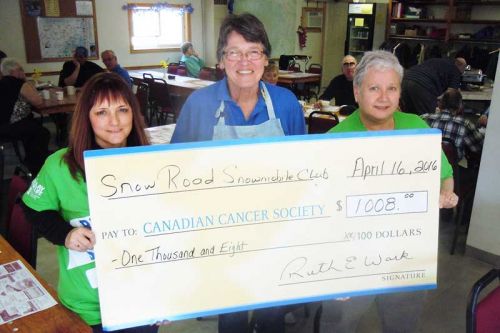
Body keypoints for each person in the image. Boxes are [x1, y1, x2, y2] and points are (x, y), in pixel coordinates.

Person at [171, 13, 306, 333]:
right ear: (221, 60)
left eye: (254, 51)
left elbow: (302, 171)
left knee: (272, 316)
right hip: (218, 236)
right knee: (231, 317)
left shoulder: (286, 104)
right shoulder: (200, 104)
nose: (244, 61)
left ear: (265, 58)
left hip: (273, 234)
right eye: (234, 52)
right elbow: (173, 172)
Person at [323, 50, 458, 333]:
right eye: (374, 88)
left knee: (402, 323)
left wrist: (446, 192)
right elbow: (321, 212)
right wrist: (332, 270)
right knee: (340, 324)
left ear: (399, 93)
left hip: (406, 255)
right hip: (353, 260)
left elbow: (444, 173)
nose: (383, 97)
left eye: (391, 88)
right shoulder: (335, 141)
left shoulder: (417, 128)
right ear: (357, 92)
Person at [21, 73, 165, 333]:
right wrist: (65, 234)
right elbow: (33, 208)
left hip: (141, 301)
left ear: (134, 113)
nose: (114, 121)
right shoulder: (60, 165)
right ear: (86, 116)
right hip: (86, 306)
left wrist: (173, 296)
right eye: (101, 112)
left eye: (122, 109)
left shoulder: (156, 163)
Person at [0, 58, 50, 174]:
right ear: (15, 71)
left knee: (33, 127)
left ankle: (29, 160)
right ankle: (36, 167)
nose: (23, 72)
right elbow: (38, 101)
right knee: (42, 133)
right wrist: (26, 81)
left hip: (3, 124)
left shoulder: (2, 82)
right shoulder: (18, 83)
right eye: (21, 70)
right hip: (10, 125)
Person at [422, 88, 484, 161]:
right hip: (452, 169)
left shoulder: (424, 118)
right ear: (460, 106)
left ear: (440, 104)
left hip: (426, 166)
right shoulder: (464, 124)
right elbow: (479, 147)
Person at [401, 57, 467, 115]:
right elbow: (452, 94)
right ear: (461, 67)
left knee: (408, 116)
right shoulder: (455, 70)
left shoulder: (436, 61)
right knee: (428, 118)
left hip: (405, 80)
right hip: (423, 86)